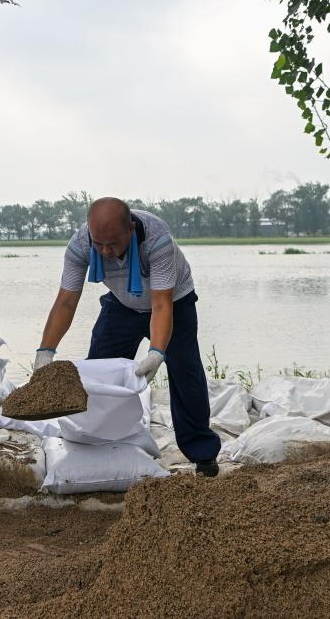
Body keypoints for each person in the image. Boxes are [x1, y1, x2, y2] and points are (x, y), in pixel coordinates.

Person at [35, 197, 221, 476]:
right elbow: (65, 302)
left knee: (186, 374)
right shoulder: (81, 244)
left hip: (174, 303)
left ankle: (203, 454)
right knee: (98, 368)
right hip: (122, 303)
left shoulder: (158, 240)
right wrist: (46, 351)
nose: (106, 251)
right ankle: (96, 443)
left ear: (131, 230)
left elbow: (161, 304)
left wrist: (157, 352)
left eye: (113, 243)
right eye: (99, 244)